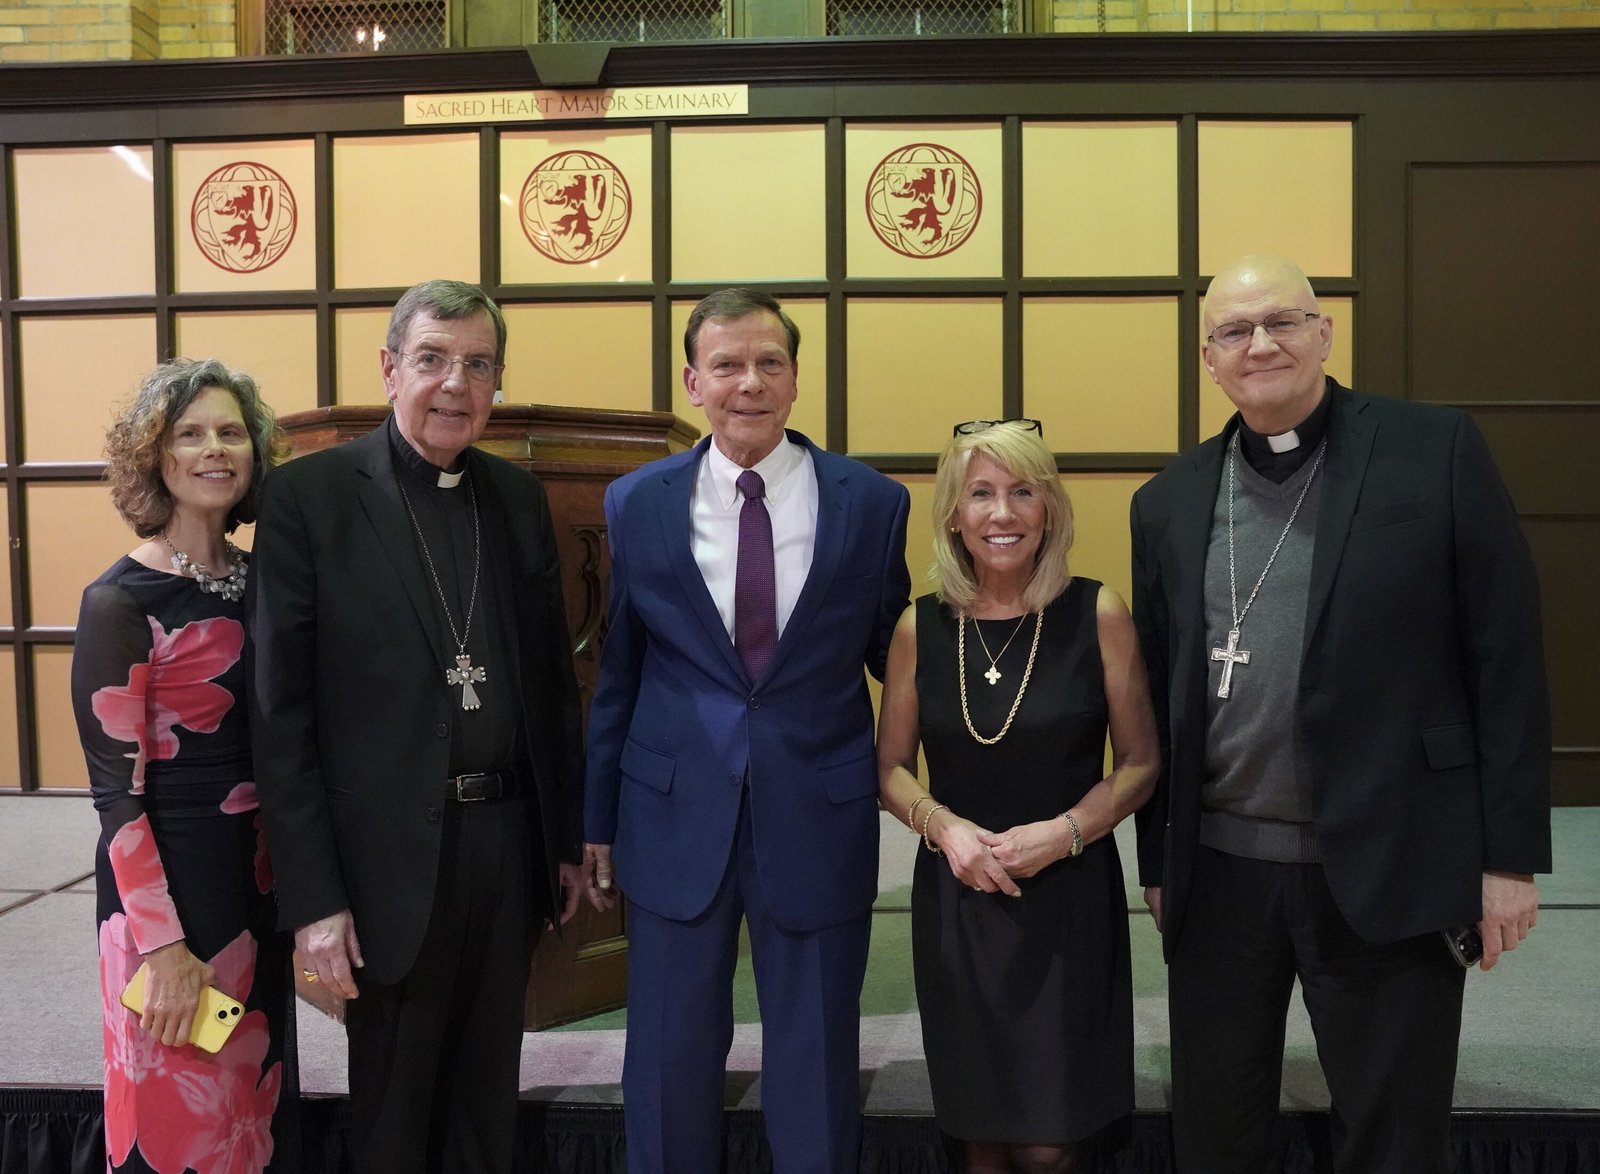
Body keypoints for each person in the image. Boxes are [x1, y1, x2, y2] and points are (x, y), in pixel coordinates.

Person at [1130, 255, 1551, 1174]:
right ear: (1208, 358)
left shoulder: (1430, 449)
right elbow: (1163, 698)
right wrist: (1159, 858)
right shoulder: (1166, 501)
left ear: (1325, 332)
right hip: (1220, 875)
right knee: (1217, 1131)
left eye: (1283, 320)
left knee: (1393, 1134)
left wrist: (1508, 858)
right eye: (1235, 331)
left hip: (1389, 855)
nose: (1262, 343)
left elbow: (1507, 658)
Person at [249, 279, 587, 1174]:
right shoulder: (310, 497)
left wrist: (563, 836)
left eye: (480, 367)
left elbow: (551, 681)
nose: (455, 385)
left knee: (486, 1101)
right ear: (391, 367)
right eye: (434, 359)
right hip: (384, 857)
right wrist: (313, 901)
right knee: (395, 1112)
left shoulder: (513, 497)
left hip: (506, 844)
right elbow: (279, 717)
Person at [583, 288, 911, 1173]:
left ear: (797, 379)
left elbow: (900, 659)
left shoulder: (871, 504)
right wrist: (596, 821)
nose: (749, 382)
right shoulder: (636, 502)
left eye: (770, 362)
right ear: (694, 381)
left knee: (814, 1059)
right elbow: (621, 671)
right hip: (671, 811)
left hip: (817, 805)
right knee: (667, 1056)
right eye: (726, 364)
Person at [875, 419, 1158, 1174]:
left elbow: (1139, 763)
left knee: (1048, 1143)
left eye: (1023, 492)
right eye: (983, 495)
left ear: (1050, 510)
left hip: (1067, 898)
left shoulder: (1099, 613)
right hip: (960, 898)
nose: (1003, 514)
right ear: (953, 516)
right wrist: (945, 829)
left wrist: (1065, 832)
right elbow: (890, 768)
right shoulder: (919, 627)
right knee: (981, 1137)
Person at [72, 357, 294, 1173]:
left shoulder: (266, 581)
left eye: (232, 432)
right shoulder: (119, 603)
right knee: (181, 1120)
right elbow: (115, 800)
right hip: (167, 886)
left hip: (257, 882)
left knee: (251, 1113)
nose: (215, 450)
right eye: (189, 433)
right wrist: (160, 946)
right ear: (155, 459)